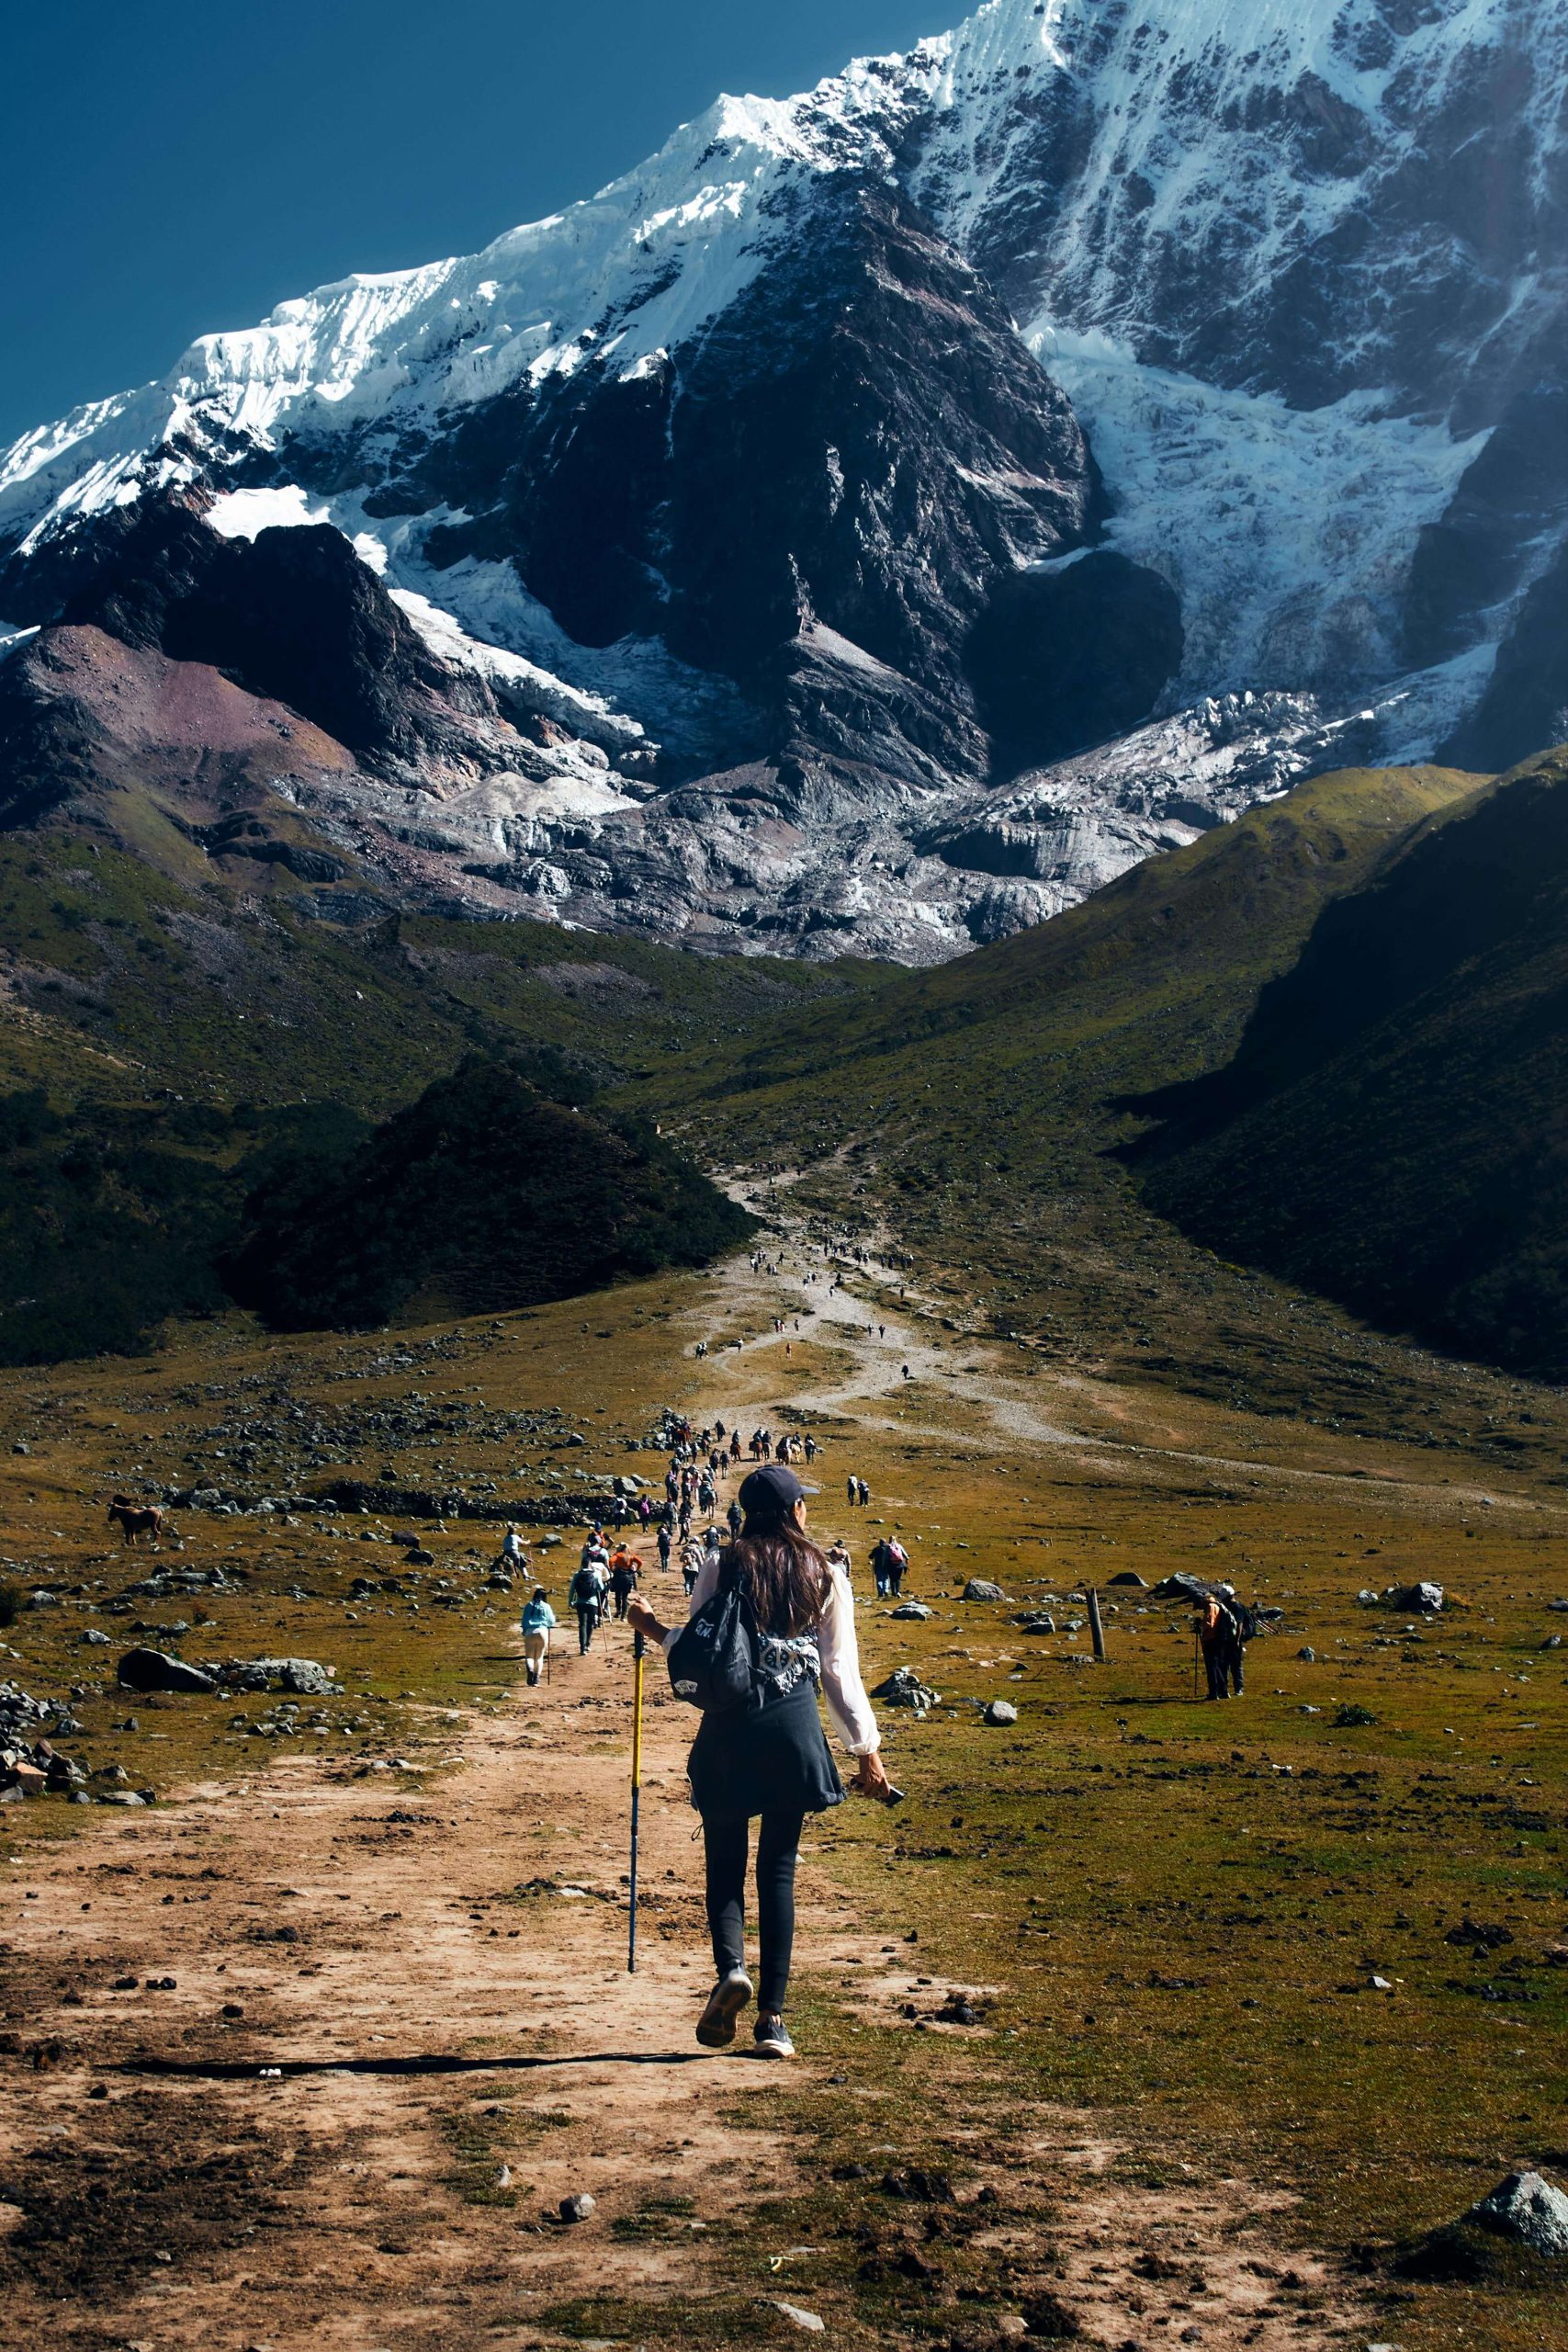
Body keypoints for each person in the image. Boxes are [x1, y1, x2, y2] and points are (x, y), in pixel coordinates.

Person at [627, 1462, 891, 2061]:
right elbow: (838, 1672)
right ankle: (772, 2019)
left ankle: (731, 1971)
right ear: (794, 1510)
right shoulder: (825, 1572)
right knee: (778, 1869)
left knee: (724, 1862)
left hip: (728, 1730)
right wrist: (866, 1752)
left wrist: (651, 1628)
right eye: (803, 1502)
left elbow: (705, 1648)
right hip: (792, 1731)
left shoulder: (721, 1565)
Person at [1198, 1589, 1247, 1699]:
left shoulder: (1232, 1607)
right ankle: (1224, 1690)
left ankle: (1229, 1690)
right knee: (1223, 1665)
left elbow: (1211, 1624)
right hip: (1225, 1639)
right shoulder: (1222, 1606)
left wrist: (1237, 1640)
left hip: (1222, 1640)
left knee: (1227, 1665)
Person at [570, 1555, 607, 1654]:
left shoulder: (577, 1575)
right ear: (590, 1564)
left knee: (582, 1624)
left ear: (582, 1564)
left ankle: (582, 1648)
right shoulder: (596, 1574)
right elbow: (601, 1588)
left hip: (580, 1602)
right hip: (593, 1603)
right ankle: (587, 1644)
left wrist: (570, 1601)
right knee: (590, 1624)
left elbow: (572, 1589)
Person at [521, 1587, 556, 1686]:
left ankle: (530, 1671)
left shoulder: (529, 1605)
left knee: (529, 1656)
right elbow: (551, 1621)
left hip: (530, 1632)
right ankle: (536, 1679)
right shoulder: (546, 1606)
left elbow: (524, 1620)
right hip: (542, 1632)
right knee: (539, 1657)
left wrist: (524, 1631)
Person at [608, 1544, 640, 1621]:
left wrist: (612, 1569)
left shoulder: (618, 1555)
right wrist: (636, 1570)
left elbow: (610, 1561)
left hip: (618, 1576)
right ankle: (623, 1615)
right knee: (624, 1598)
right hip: (628, 1578)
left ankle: (618, 1609)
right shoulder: (630, 1556)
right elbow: (640, 1562)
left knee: (617, 1595)